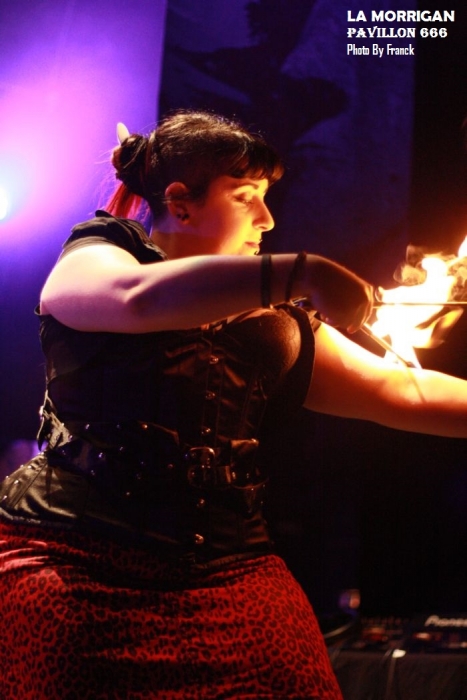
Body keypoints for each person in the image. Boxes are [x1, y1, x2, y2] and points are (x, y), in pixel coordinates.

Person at [0, 110, 466, 700]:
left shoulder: (274, 315)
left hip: (230, 571)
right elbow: (136, 298)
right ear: (180, 203)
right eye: (247, 197)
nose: (267, 219)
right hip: (74, 565)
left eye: (267, 197)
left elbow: (405, 390)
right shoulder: (99, 253)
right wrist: (303, 273)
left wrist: (292, 284)